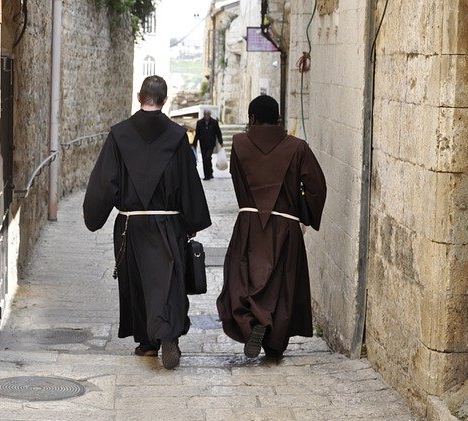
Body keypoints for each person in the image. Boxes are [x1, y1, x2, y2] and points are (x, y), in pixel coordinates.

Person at [83, 75, 211, 370]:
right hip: (168, 223)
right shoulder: (178, 136)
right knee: (169, 281)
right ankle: (169, 334)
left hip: (132, 225)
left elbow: (106, 181)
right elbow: (188, 182)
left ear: (139, 96)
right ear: (164, 100)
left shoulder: (119, 135)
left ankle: (147, 343)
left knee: (138, 282)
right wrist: (191, 221)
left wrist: (93, 215)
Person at [216, 95, 327, 359]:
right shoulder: (298, 147)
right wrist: (299, 211)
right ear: (278, 118)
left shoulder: (240, 143)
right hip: (285, 225)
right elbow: (316, 188)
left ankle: (253, 324)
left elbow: (236, 177)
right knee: (281, 284)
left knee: (243, 278)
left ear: (252, 119)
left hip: (249, 223)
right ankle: (274, 344)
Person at [192, 109, 223, 180]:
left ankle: (209, 173)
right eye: (205, 114)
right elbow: (197, 134)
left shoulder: (214, 122)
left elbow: (218, 133)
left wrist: (221, 142)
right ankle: (207, 175)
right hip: (203, 144)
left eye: (208, 114)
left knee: (208, 157)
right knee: (204, 159)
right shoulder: (199, 123)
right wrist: (194, 143)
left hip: (211, 144)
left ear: (210, 115)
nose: (206, 116)